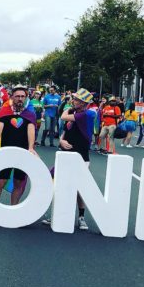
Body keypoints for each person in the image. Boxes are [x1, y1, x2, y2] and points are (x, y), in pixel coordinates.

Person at [43, 88, 98, 231]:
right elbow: (65, 132)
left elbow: (63, 116)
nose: (73, 101)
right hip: (65, 155)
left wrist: (67, 110)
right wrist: (61, 141)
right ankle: (57, 214)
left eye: (77, 100)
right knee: (56, 181)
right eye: (74, 99)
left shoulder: (88, 114)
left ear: (84, 103)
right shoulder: (74, 113)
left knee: (78, 188)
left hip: (81, 156)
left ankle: (81, 217)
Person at [0, 85, 37, 207]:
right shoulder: (4, 112)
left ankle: (14, 210)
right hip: (6, 153)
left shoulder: (30, 114)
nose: (20, 99)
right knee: (1, 182)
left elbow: (31, 131)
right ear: (12, 97)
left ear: (26, 98)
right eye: (17, 96)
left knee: (18, 183)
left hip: (23, 154)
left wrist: (31, 148)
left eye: (22, 96)